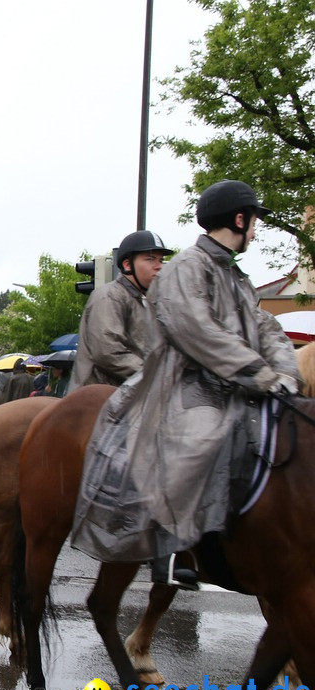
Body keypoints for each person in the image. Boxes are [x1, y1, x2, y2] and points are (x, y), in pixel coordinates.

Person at [72, 181, 301, 590]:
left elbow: (267, 328)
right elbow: (196, 330)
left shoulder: (237, 276)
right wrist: (258, 373)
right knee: (198, 438)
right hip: (189, 384)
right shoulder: (188, 267)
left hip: (238, 384)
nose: (255, 230)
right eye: (253, 222)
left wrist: (285, 375)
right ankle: (177, 547)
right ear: (238, 218)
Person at [70, 230, 175, 390]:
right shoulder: (109, 296)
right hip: (101, 397)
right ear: (127, 265)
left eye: (161, 260)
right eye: (150, 259)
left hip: (130, 394)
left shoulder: (147, 301)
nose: (159, 266)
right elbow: (107, 352)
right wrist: (156, 375)